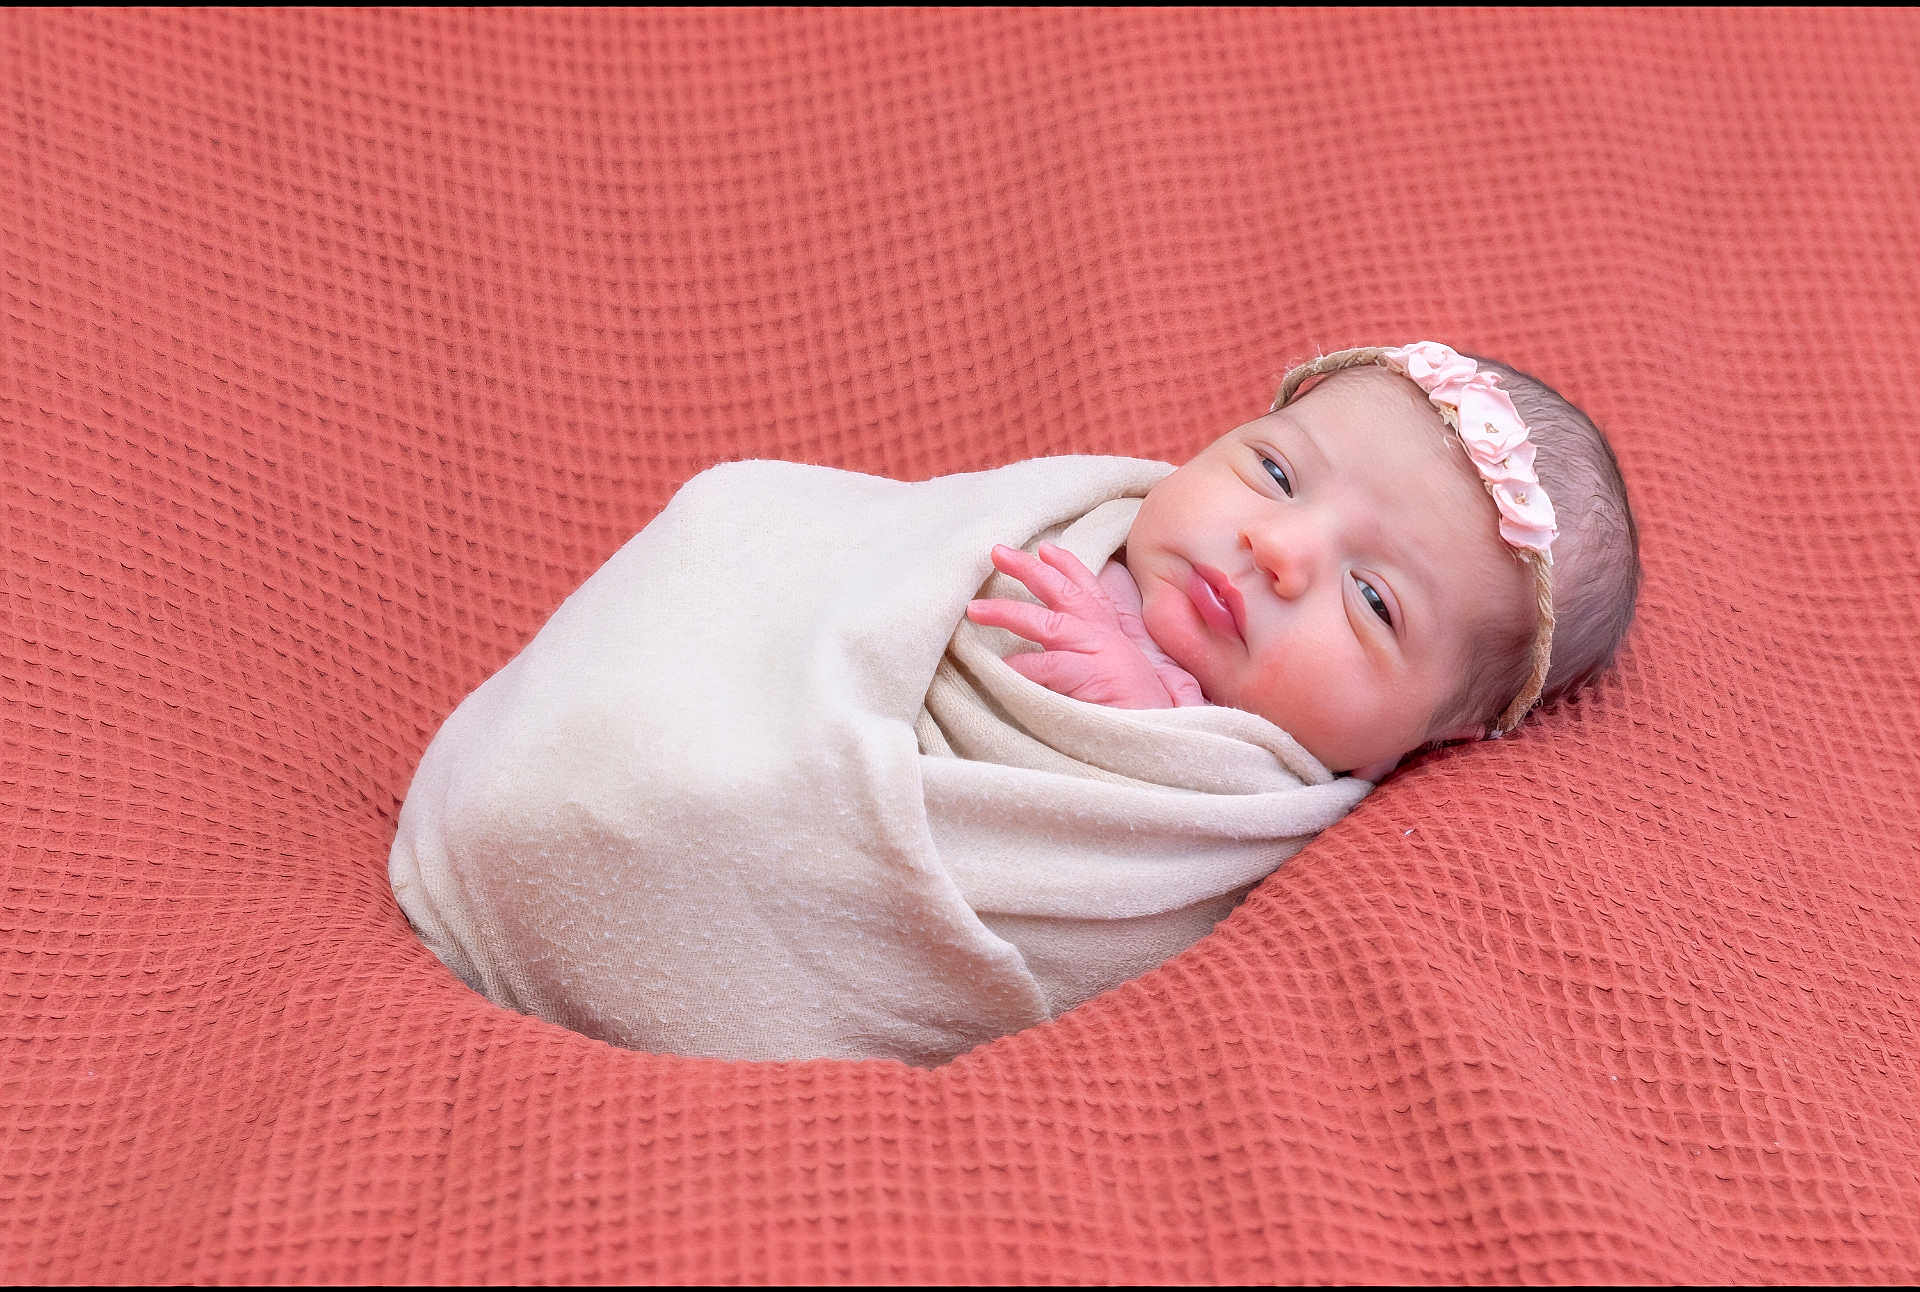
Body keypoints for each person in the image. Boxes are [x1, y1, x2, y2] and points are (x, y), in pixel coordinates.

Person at [967, 341, 1640, 782]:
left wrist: (1137, 734)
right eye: (1275, 472)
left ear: (1435, 736)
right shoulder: (1081, 513)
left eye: (1374, 600)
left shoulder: (1253, 779)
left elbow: (1148, 853)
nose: (1277, 548)